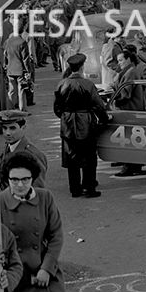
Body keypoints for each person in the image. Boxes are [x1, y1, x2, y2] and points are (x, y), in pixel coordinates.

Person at [0, 152, 72, 292]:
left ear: (32, 179)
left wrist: (46, 269)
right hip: (12, 280)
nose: (19, 184)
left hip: (39, 276)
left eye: (25, 179)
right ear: (7, 180)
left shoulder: (45, 198)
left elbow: (56, 235)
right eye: (14, 180)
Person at [54, 53, 110, 198]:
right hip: (86, 122)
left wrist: (66, 117)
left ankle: (75, 189)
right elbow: (98, 105)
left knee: (71, 156)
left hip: (67, 124)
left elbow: (57, 108)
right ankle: (89, 187)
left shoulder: (62, 84)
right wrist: (104, 120)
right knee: (89, 157)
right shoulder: (88, 84)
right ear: (82, 67)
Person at [0, 109, 48, 189]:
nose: (7, 133)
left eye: (12, 128)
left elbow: (38, 189)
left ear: (23, 128)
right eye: (5, 128)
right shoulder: (9, 148)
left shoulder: (32, 155)